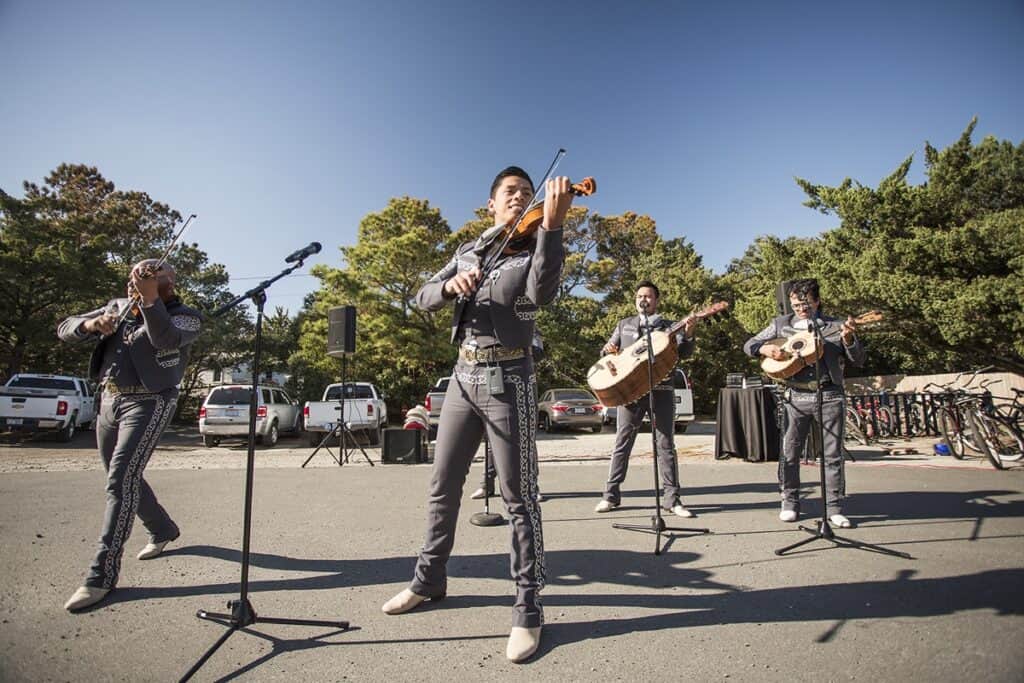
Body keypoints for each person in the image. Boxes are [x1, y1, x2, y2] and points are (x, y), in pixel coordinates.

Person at [382, 166, 574, 663]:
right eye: (511, 192)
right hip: (462, 378)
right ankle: (428, 580)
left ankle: (528, 608)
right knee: (442, 485)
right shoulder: (469, 250)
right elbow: (422, 296)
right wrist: (450, 286)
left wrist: (552, 226)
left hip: (511, 379)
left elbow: (542, 293)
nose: (521, 197)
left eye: (527, 192)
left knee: (520, 497)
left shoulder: (535, 248)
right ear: (491, 203)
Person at [57, 259, 201, 611]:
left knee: (121, 479)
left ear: (169, 282)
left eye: (149, 276)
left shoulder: (186, 316)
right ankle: (162, 528)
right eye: (134, 276)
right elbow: (65, 327)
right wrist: (92, 324)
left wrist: (150, 301)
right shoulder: (117, 307)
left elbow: (165, 339)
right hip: (110, 400)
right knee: (120, 475)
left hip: (151, 401)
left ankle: (101, 575)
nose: (136, 281)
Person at [743, 278, 864, 527]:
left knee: (832, 455)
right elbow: (750, 344)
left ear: (817, 301)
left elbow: (859, 359)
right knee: (789, 453)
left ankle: (833, 507)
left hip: (829, 395)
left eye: (806, 304)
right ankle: (789, 502)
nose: (801, 309)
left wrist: (849, 340)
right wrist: (765, 350)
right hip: (795, 397)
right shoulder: (780, 324)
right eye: (796, 305)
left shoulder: (835, 326)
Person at [594, 281, 698, 517]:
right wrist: (608, 351)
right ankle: (610, 496)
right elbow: (606, 352)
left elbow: (684, 354)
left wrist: (689, 333)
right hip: (629, 392)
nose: (644, 299)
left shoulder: (669, 326)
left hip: (661, 390)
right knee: (622, 443)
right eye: (640, 296)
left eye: (648, 296)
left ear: (657, 301)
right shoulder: (624, 325)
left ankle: (672, 500)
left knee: (665, 444)